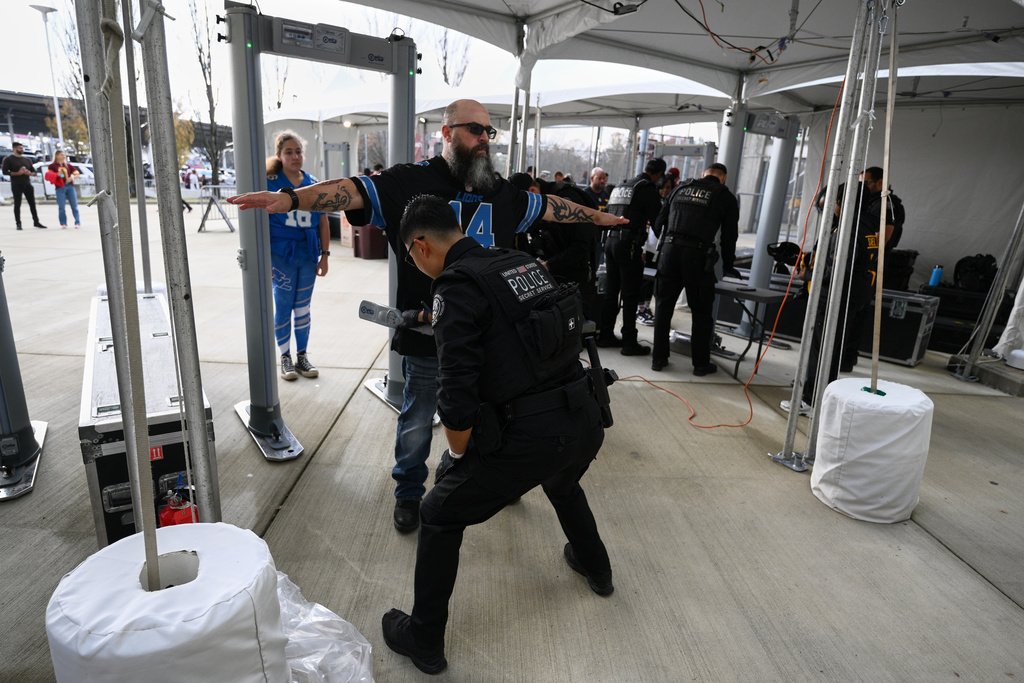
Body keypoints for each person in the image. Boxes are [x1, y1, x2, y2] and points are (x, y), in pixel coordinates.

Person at [229, 99, 625, 534]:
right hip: (427, 334)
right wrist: (289, 198)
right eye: (474, 129)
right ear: (447, 131)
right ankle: (409, 494)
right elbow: (350, 190)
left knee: (495, 416)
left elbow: (550, 207)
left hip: (493, 343)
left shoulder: (499, 191)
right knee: (418, 419)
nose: (482, 140)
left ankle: (493, 480)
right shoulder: (410, 182)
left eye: (488, 133)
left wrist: (598, 216)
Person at [381, 194, 613, 674]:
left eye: (409, 256)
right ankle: (597, 568)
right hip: (584, 418)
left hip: (532, 438)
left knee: (439, 511)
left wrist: (459, 456)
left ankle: (423, 639)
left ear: (420, 246)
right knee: (563, 482)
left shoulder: (456, 288)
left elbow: (457, 399)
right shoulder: (519, 261)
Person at [781, 181, 878, 415]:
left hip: (837, 298)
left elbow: (838, 269)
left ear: (842, 202)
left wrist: (808, 274)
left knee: (821, 349)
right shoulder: (868, 227)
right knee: (831, 350)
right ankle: (823, 398)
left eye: (834, 201)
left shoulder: (848, 229)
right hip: (854, 297)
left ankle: (810, 400)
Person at [651, 163, 739, 374]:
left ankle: (658, 359)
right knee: (701, 312)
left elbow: (658, 223)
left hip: (668, 253)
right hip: (697, 257)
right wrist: (728, 264)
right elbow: (729, 236)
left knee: (663, 306)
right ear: (723, 177)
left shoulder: (679, 189)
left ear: (703, 174)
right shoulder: (724, 196)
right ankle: (700, 364)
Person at [266, 130, 330, 381]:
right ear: (279, 155)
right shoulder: (270, 182)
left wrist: (324, 255)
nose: (295, 156)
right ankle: (285, 357)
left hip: (307, 253)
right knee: (283, 305)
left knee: (303, 307)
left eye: (298, 151)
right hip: (281, 254)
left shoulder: (313, 183)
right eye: (289, 152)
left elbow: (323, 223)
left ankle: (302, 356)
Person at [597, 157, 666, 355]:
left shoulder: (621, 185)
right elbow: (658, 221)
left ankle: (606, 335)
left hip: (610, 242)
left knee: (611, 291)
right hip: (629, 245)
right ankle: (629, 342)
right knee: (630, 294)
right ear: (659, 174)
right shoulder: (647, 188)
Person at [3, 142, 46, 229]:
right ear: (14, 149)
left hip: (27, 183)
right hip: (16, 184)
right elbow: (5, 172)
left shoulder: (27, 160)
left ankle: (36, 221)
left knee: (32, 203)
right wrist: (17, 173)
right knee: (17, 204)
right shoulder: (8, 159)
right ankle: (18, 223)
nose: (22, 150)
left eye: (22, 148)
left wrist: (29, 173)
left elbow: (34, 172)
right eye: (20, 148)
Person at [48, 150, 82, 229]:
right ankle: (63, 223)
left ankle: (77, 222)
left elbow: (77, 174)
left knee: (74, 205)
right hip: (60, 187)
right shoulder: (52, 166)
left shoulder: (68, 166)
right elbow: (50, 175)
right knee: (61, 206)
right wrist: (57, 175)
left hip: (70, 186)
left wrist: (72, 178)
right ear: (57, 156)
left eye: (64, 155)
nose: (63, 157)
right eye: (61, 155)